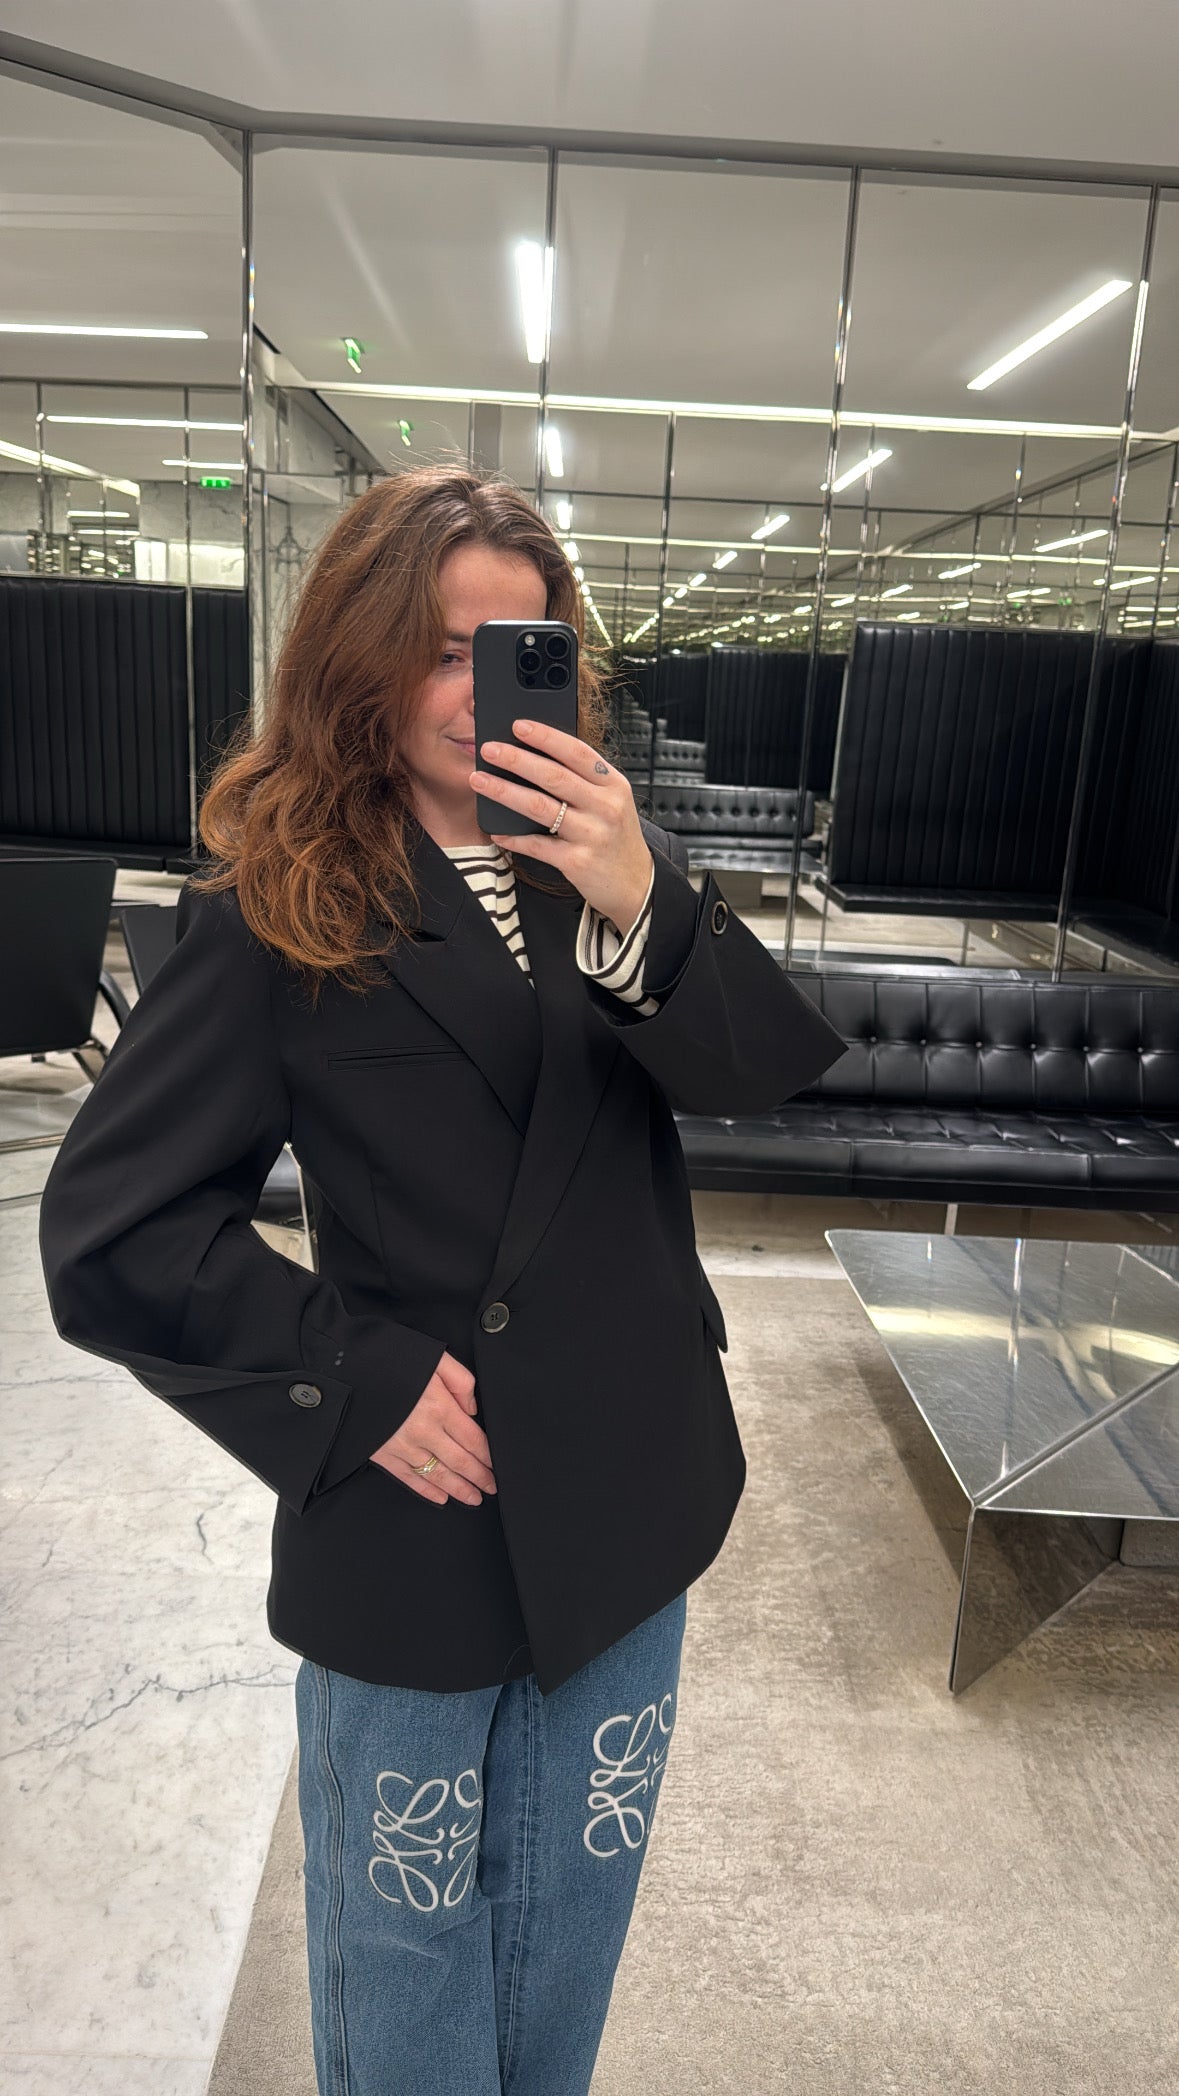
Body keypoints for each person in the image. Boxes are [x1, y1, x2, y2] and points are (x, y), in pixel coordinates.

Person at [38, 462, 847, 2094]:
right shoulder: (283, 907)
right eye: (444, 648)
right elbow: (114, 1229)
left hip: (631, 1491)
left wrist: (643, 899)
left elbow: (765, 1077)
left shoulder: (598, 859)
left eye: (521, 648)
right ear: (364, 657)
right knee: (402, 1963)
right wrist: (352, 1379)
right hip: (422, 1508)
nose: (484, 689)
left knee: (569, 1933)